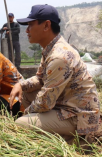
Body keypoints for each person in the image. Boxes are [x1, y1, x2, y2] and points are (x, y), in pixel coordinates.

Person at [10, 4, 100, 140]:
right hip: (64, 105)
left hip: (78, 115)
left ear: (46, 26)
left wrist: (25, 115)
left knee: (19, 124)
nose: (27, 30)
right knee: (27, 94)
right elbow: (40, 79)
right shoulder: (49, 49)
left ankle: (74, 138)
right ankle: (50, 131)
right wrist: (20, 85)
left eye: (30, 25)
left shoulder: (60, 56)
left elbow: (45, 102)